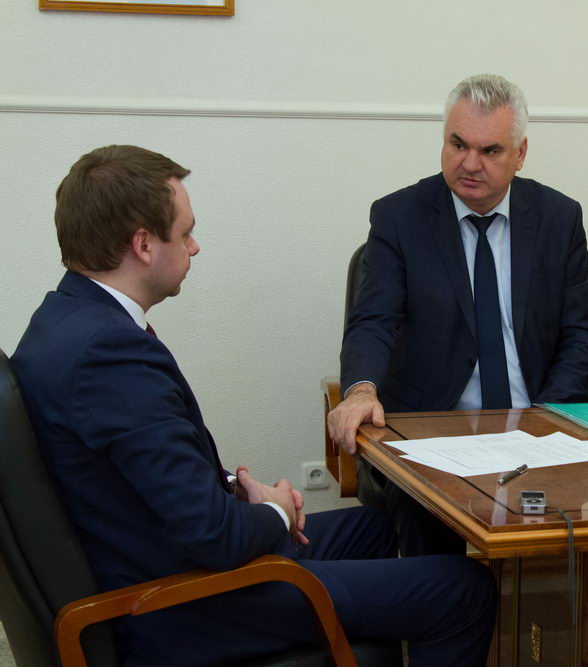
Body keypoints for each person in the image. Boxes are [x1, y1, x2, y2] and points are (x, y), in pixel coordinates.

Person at [12, 145, 496, 667]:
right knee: (463, 587)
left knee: (378, 528)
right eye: (185, 232)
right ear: (144, 245)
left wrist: (236, 491)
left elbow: (142, 475)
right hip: (182, 606)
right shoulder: (107, 355)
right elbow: (214, 536)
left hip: (167, 562)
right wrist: (274, 511)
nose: (195, 246)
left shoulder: (63, 320)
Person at [330, 74, 588, 556]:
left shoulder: (559, 218)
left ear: (520, 153)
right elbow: (373, 320)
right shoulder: (400, 217)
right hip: (434, 434)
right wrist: (361, 390)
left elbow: (579, 336)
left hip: (535, 428)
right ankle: (443, 605)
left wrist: (545, 422)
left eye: (490, 150)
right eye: (457, 144)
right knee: (433, 552)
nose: (470, 163)